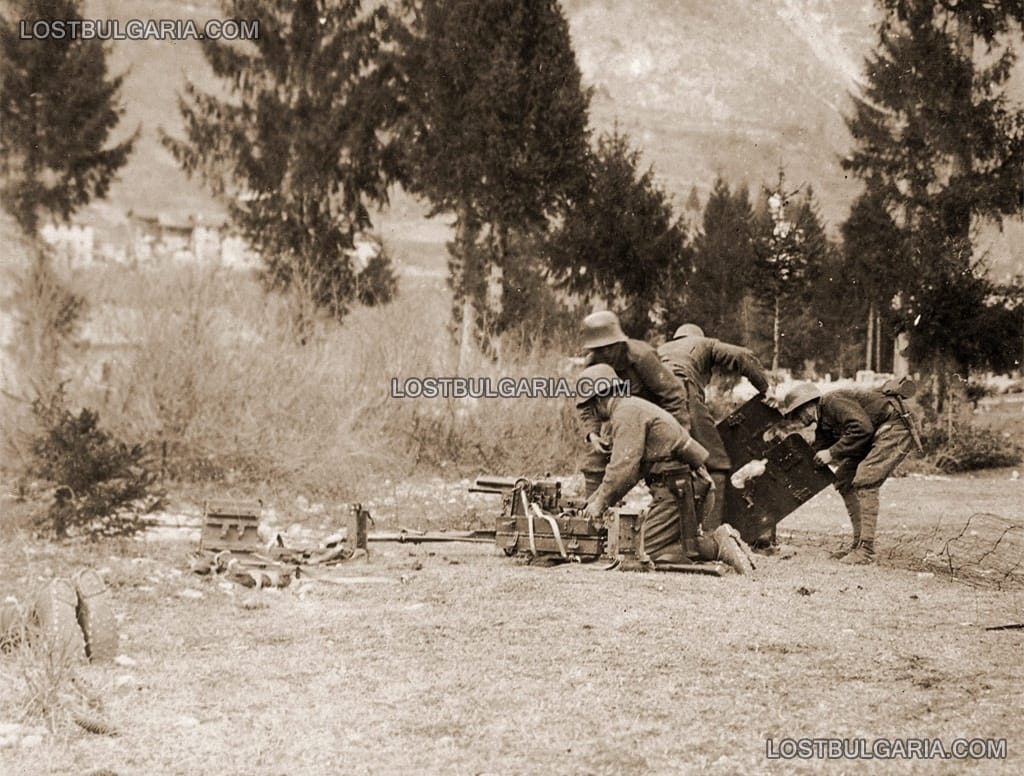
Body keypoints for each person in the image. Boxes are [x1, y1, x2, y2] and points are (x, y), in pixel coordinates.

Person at [575, 364, 754, 573]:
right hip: (684, 488)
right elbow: (629, 471)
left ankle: (717, 544)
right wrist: (597, 499)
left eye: (591, 407)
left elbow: (622, 469)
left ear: (598, 400)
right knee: (654, 546)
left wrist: (599, 504)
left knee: (640, 551)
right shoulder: (631, 407)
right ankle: (709, 543)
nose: (594, 415)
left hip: (679, 491)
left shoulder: (625, 414)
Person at [779, 382, 916, 564]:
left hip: (895, 425)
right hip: (880, 429)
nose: (797, 419)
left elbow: (862, 428)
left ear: (809, 405)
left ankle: (866, 550)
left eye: (797, 412)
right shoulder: (823, 422)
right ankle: (858, 544)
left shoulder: (832, 402)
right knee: (844, 477)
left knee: (866, 478)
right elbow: (815, 454)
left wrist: (832, 453)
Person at [657, 323, 773, 530]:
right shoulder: (704, 344)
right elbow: (742, 356)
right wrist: (765, 388)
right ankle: (713, 535)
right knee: (716, 462)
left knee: (671, 464)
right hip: (681, 390)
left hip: (653, 400)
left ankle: (674, 530)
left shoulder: (662, 350)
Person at [578, 311, 690, 496]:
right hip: (624, 421)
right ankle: (594, 517)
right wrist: (592, 434)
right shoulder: (592, 366)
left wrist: (677, 440)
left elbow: (674, 394)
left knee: (667, 471)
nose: (605, 354)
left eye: (610, 347)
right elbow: (588, 403)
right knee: (595, 463)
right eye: (599, 349)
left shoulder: (642, 357)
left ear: (619, 342)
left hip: (657, 419)